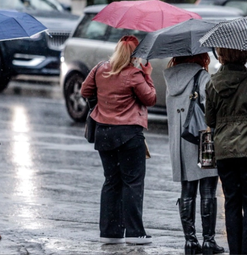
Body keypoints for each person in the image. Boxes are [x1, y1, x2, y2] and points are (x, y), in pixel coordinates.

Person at [81, 35, 156, 245]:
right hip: (129, 134)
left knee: (111, 181)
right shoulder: (134, 74)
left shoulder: (99, 68)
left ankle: (109, 231)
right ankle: (135, 233)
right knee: (132, 182)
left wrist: (104, 99)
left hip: (103, 132)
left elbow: (84, 90)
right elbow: (150, 98)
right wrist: (147, 75)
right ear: (135, 55)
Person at [205, 48, 247, 255]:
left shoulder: (213, 83)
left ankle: (235, 251)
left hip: (225, 151)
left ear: (222, 55)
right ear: (246, 55)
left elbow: (210, 120)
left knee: (232, 203)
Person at [163, 53, 224, 255]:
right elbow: (213, 108)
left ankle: (190, 241)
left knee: (187, 191)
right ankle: (208, 241)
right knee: (208, 191)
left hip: (180, 142)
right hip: (202, 139)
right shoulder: (202, 77)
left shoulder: (170, 78)